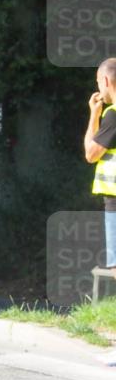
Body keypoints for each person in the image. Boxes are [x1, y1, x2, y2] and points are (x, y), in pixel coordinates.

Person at [84, 57, 116, 268]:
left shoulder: (113, 115)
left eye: (97, 82)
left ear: (105, 81)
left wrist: (94, 115)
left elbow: (91, 154)